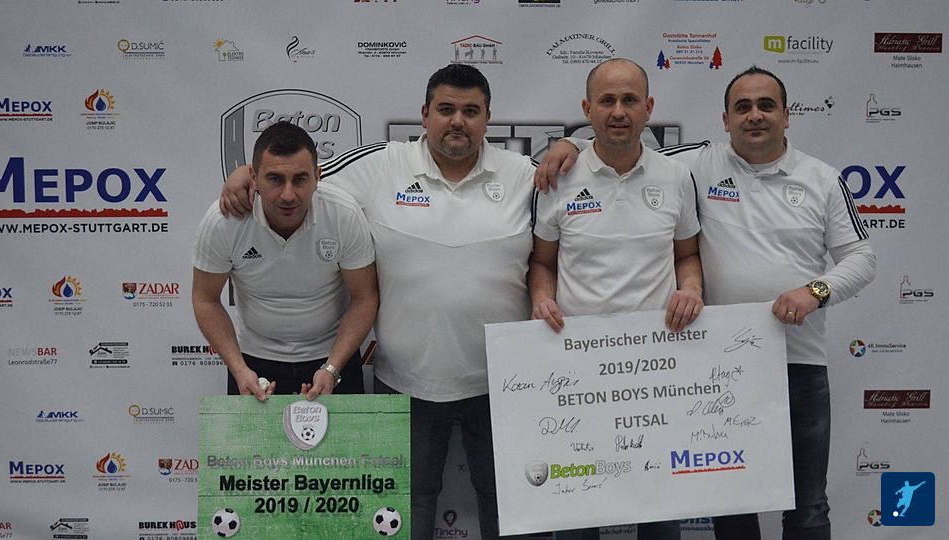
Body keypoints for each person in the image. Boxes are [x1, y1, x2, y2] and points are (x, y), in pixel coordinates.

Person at [536, 65, 876, 540]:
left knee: (808, 507)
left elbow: (862, 258)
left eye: (766, 106)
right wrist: (570, 144)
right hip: (720, 368)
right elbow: (620, 148)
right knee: (731, 505)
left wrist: (815, 291)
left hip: (798, 364)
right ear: (725, 119)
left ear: (787, 115)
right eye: (742, 107)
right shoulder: (695, 165)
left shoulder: (823, 179)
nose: (754, 116)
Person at [219, 64, 535, 539]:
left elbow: (584, 177)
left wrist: (571, 148)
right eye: (446, 109)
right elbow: (300, 178)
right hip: (407, 381)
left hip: (503, 383)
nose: (457, 121)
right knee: (405, 510)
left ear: (488, 118)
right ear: (424, 114)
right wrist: (244, 173)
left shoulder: (524, 174)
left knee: (509, 504)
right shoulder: (382, 165)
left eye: (471, 111)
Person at [530, 58, 702, 540]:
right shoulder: (558, 177)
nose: (619, 111)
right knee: (577, 514)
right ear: (588, 110)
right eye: (607, 101)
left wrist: (691, 289)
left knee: (661, 514)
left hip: (658, 373)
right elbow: (541, 264)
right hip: (576, 372)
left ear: (649, 108)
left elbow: (688, 254)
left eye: (630, 100)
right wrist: (542, 299)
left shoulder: (676, 176)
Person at [192, 121, 377, 402]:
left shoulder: (343, 214)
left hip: (332, 358)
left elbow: (365, 297)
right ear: (254, 177)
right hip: (253, 361)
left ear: (317, 176)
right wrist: (239, 369)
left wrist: (332, 368)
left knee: (346, 436)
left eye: (300, 180)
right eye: (275, 179)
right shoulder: (224, 221)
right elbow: (205, 299)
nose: (288, 195)